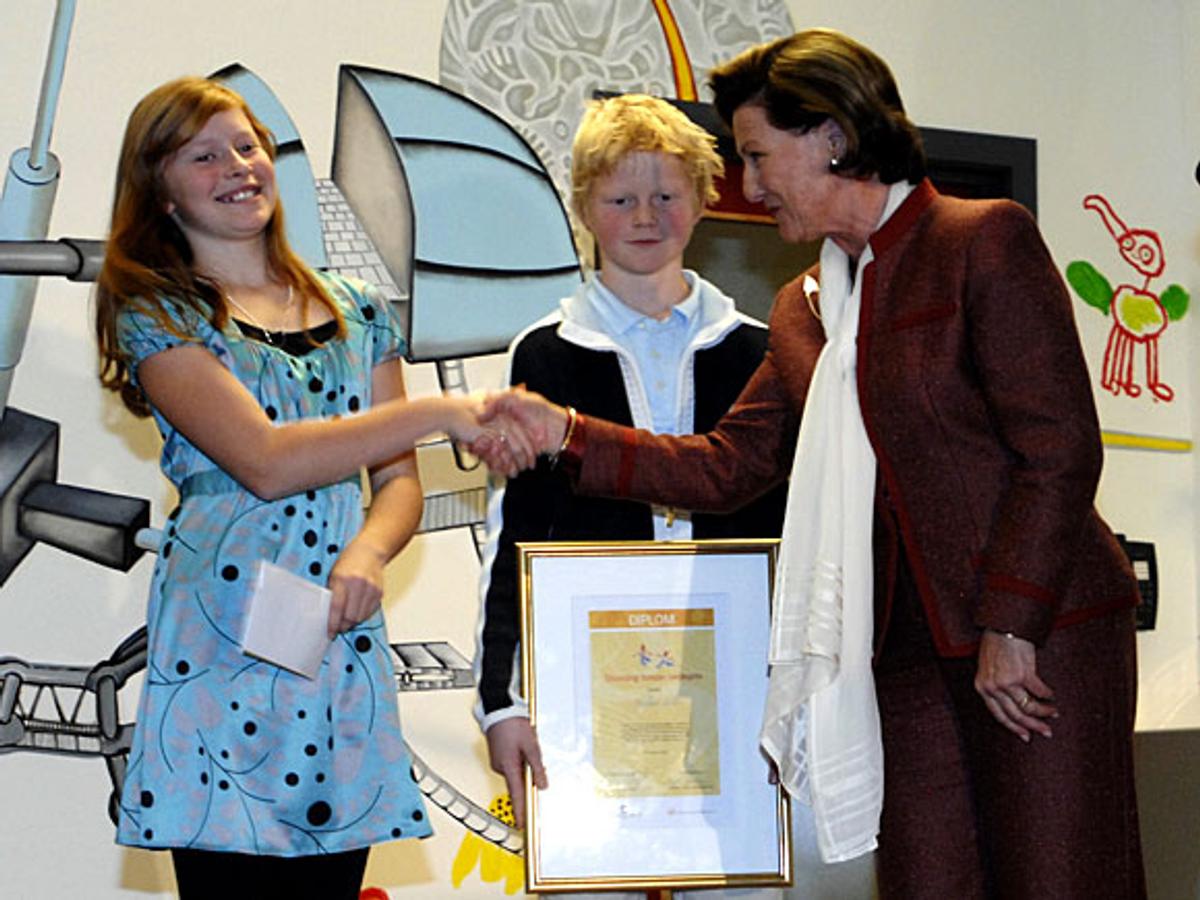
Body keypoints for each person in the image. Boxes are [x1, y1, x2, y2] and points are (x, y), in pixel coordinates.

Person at [480, 29, 1146, 900]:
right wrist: (567, 432)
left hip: (1040, 638)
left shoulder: (981, 239)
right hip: (901, 657)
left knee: (1059, 883)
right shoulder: (807, 308)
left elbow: (1058, 448)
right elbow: (725, 467)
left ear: (832, 135)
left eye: (758, 157)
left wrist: (1012, 625)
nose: (749, 188)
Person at [94, 77, 510, 899]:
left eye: (246, 146)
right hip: (220, 644)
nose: (237, 166)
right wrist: (439, 412)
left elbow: (397, 480)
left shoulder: (358, 309)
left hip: (336, 637)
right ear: (161, 191)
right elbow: (267, 459)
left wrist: (370, 550)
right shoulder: (158, 313)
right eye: (203, 156)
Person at [473, 93, 786, 841]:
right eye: (620, 199)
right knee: (599, 872)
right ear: (585, 207)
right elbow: (514, 532)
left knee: (740, 874)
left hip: (742, 683)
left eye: (666, 196)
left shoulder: (763, 351)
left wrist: (797, 685)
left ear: (704, 200)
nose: (645, 217)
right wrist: (501, 700)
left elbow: (788, 528)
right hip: (588, 682)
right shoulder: (543, 352)